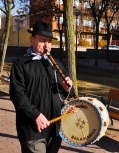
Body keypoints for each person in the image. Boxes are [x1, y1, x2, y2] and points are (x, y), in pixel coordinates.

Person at [9, 21, 74, 153]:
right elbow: (17, 95)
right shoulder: (21, 64)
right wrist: (36, 115)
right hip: (33, 128)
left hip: (55, 128)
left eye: (49, 41)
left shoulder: (57, 65)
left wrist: (67, 89)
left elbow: (65, 94)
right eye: (43, 40)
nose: (47, 45)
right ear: (31, 40)